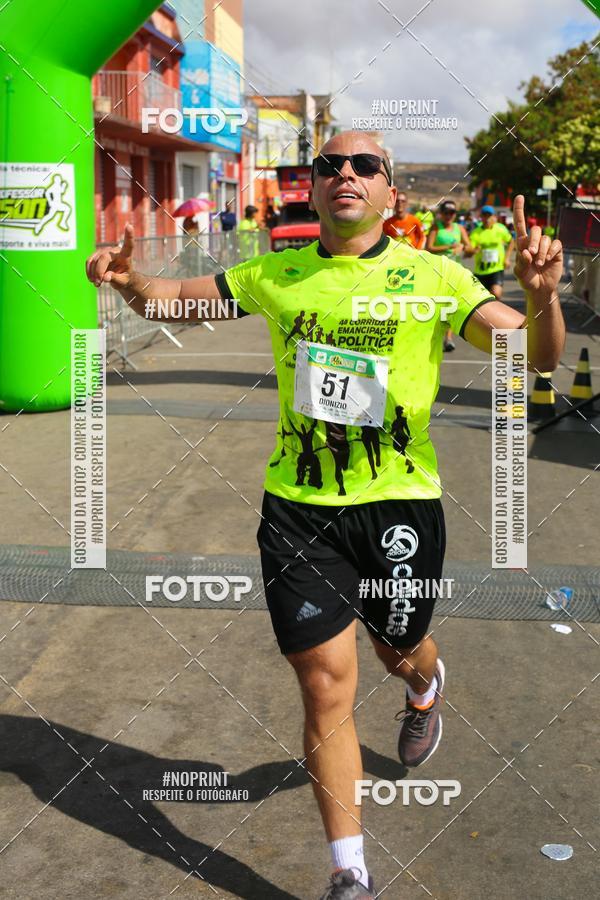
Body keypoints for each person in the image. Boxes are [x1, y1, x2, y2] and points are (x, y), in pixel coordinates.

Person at [86, 130, 565, 900]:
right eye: (329, 165)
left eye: (364, 165)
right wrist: (128, 279)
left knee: (396, 647)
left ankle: (425, 685)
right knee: (323, 683)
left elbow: (535, 358)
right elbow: (175, 300)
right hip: (300, 510)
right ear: (312, 189)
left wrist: (541, 297)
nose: (345, 173)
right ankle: (350, 872)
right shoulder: (277, 272)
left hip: (398, 505)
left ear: (389, 193)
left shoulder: (435, 276)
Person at [426, 200, 473, 351]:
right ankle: (434, 334)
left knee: (450, 303)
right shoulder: (436, 227)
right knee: (438, 304)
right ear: (441, 213)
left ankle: (448, 337)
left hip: (455, 271)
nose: (449, 216)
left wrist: (465, 248)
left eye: (452, 213)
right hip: (437, 270)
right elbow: (429, 248)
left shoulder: (459, 228)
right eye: (446, 213)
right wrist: (449, 247)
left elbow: (469, 247)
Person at [467, 204, 514, 300]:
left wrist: (507, 258)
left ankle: (496, 313)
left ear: (494, 217)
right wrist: (474, 250)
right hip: (480, 271)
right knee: (480, 299)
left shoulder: (500, 229)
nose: (487, 218)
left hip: (496, 269)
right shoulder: (476, 232)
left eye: (489, 216)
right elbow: (468, 251)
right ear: (481, 217)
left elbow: (511, 242)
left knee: (496, 294)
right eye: (484, 215)